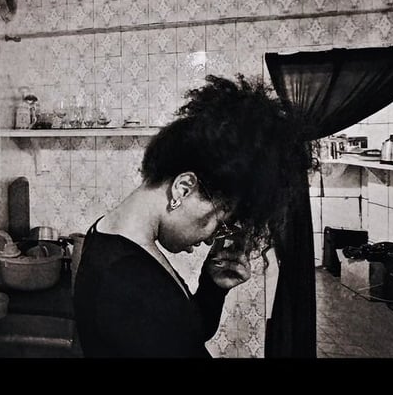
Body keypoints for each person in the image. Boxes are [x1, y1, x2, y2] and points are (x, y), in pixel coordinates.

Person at [73, 74, 306, 358]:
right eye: (218, 222)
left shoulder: (121, 241)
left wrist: (213, 286)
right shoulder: (124, 281)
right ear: (183, 188)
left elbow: (184, 333)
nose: (210, 239)